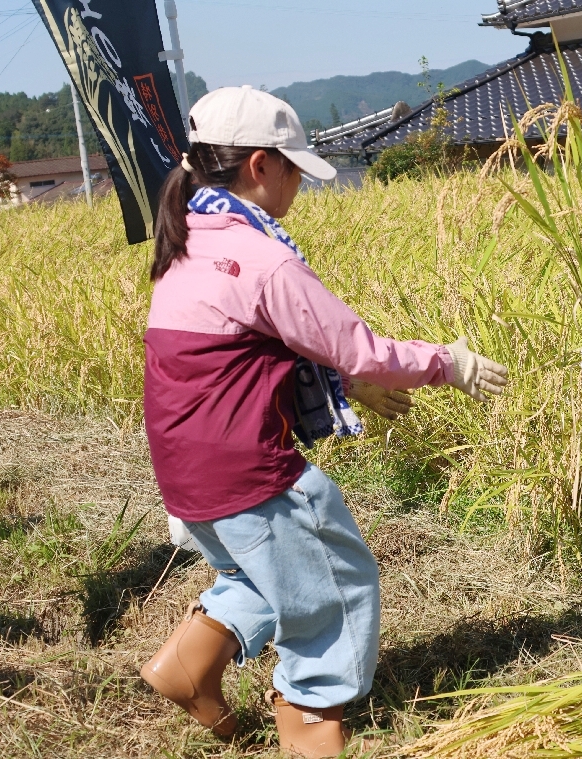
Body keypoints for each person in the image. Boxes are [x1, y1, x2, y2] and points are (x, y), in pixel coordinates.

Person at [138, 86, 508, 758]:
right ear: (259, 165)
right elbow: (358, 346)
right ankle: (310, 723)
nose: (297, 188)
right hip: (249, 471)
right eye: (294, 171)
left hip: (185, 474)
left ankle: (187, 668)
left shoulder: (186, 242)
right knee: (333, 587)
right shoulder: (262, 257)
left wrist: (349, 382)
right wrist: (447, 362)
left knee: (258, 574)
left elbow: (243, 353)